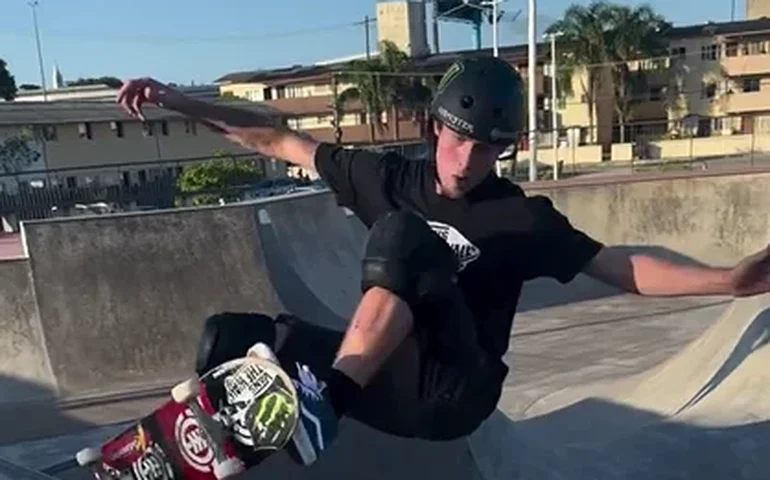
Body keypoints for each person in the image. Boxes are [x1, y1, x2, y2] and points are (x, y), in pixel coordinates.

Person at [117, 56, 770, 466]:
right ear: (435, 127)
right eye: (457, 140)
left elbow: (620, 266)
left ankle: (327, 405)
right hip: (387, 387)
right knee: (236, 340)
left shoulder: (520, 217)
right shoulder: (387, 177)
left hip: (456, 394)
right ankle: (204, 459)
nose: (464, 162)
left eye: (484, 150)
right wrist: (177, 99)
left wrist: (729, 280)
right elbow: (278, 137)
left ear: (503, 151)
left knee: (403, 236)